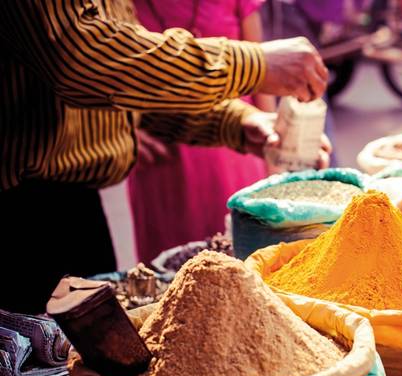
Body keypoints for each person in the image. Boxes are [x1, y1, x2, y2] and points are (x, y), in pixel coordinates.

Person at [0, 0, 330, 314]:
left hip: (77, 205)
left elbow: (131, 92)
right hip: (22, 218)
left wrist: (239, 122)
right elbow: (81, 58)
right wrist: (254, 64)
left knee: (87, 352)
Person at [128, 0, 278, 262]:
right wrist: (123, 124)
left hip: (238, 143)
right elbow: (91, 67)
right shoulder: (122, 6)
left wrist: (276, 157)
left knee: (251, 268)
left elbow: (263, 77)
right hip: (164, 162)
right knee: (173, 276)